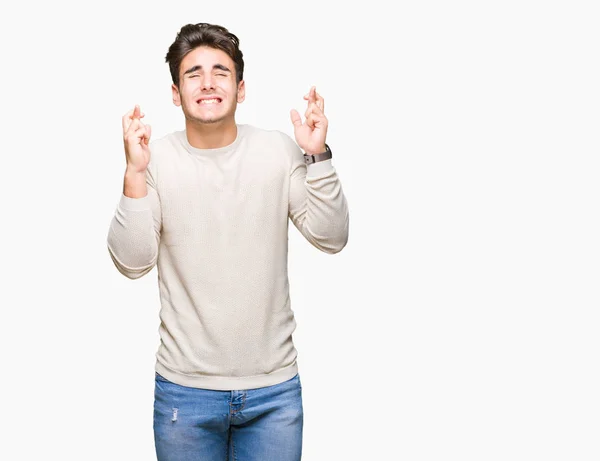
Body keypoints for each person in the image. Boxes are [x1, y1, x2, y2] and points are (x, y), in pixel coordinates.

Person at [107, 22, 349, 461]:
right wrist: (134, 175)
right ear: (176, 93)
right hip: (186, 392)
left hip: (273, 392)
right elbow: (132, 261)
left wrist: (317, 156)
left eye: (220, 71)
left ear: (240, 89)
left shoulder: (278, 151)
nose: (208, 82)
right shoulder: (154, 159)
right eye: (193, 73)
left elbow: (331, 237)